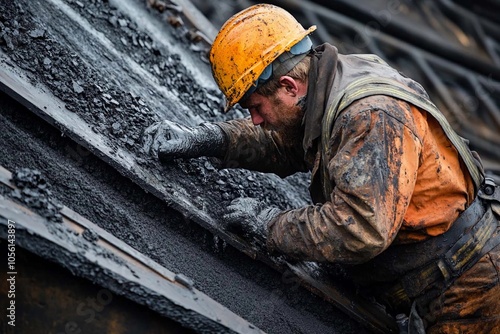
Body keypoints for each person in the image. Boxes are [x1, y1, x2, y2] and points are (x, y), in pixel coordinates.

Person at [143, 4, 500, 333]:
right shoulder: (326, 85)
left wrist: (270, 225)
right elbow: (287, 142)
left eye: (255, 106)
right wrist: (210, 139)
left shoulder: (370, 114)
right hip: (441, 281)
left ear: (288, 86)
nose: (254, 119)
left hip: (473, 290)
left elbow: (360, 227)